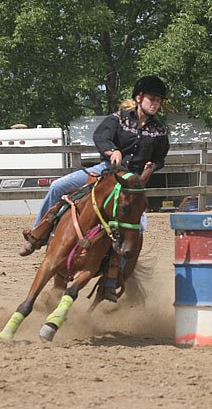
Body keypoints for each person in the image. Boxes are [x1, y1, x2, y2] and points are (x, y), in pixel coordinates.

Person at [19, 75, 170, 277]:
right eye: (152, 99)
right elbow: (101, 137)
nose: (156, 104)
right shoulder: (118, 119)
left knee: (138, 227)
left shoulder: (159, 131)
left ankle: (115, 277)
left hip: (131, 182)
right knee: (58, 186)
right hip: (105, 169)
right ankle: (38, 235)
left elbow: (160, 158)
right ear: (139, 98)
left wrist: (152, 167)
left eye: (159, 100)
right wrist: (112, 151)